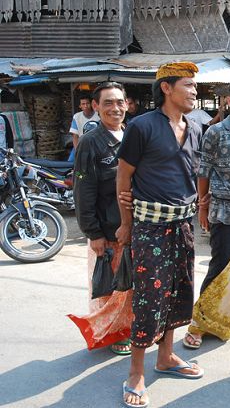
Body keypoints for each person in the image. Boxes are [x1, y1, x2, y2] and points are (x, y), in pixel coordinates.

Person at [116, 62, 204, 408]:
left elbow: (190, 173)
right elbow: (123, 179)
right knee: (150, 297)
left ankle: (165, 356)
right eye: (188, 85)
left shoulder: (194, 127)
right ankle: (135, 372)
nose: (194, 91)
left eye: (196, 86)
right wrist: (125, 223)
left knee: (179, 291)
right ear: (166, 88)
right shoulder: (141, 127)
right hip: (150, 226)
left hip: (183, 224)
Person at [183, 78, 230, 349]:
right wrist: (202, 207)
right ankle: (199, 323)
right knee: (221, 264)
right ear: (229, 101)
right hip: (224, 210)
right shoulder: (216, 132)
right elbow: (204, 171)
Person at [68, 82, 133, 356]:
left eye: (119, 102)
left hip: (132, 227)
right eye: (108, 103)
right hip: (107, 231)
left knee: (129, 285)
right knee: (110, 285)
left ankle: (126, 328)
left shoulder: (131, 136)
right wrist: (93, 233)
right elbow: (83, 190)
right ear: (96, 107)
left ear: (127, 104)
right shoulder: (91, 142)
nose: (115, 108)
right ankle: (113, 333)